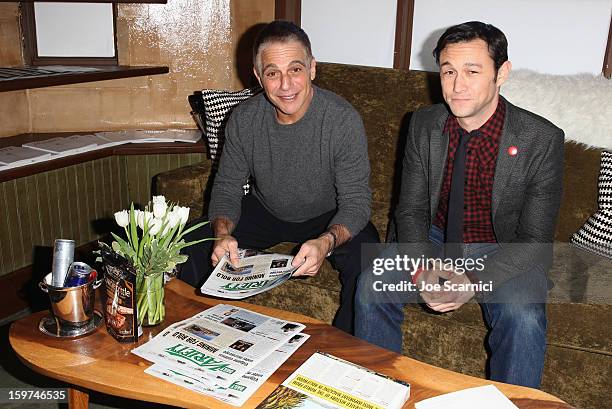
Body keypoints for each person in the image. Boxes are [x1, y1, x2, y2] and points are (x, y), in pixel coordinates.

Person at [355, 21, 564, 388]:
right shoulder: (423, 124)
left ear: (502, 73)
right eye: (448, 71)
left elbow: (534, 239)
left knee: (523, 315)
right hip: (434, 238)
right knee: (371, 282)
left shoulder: (541, 139)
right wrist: (421, 268)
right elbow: (411, 210)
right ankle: (376, 390)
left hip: (504, 247)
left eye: (472, 71)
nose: (457, 85)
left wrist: (472, 279)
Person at [180, 20, 379, 334]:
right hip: (266, 210)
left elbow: (356, 203)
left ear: (312, 68)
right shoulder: (244, 118)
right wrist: (222, 233)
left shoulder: (341, 120)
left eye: (296, 69)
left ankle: (346, 355)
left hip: (328, 214)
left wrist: (326, 242)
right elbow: (228, 187)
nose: (286, 86)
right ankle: (195, 332)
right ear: (259, 77)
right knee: (191, 242)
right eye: (273, 73)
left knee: (369, 262)